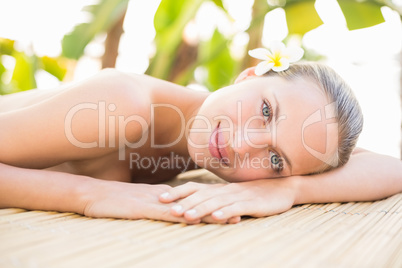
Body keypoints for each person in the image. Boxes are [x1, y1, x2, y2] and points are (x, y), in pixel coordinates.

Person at [0, 60, 401, 224]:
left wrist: (289, 188)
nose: (244, 145)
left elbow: (392, 168)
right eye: (265, 110)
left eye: (275, 159)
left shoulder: (198, 140)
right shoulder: (126, 105)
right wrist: (88, 194)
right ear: (248, 75)